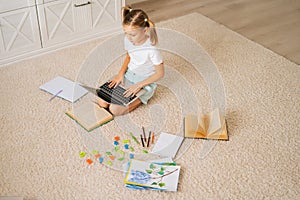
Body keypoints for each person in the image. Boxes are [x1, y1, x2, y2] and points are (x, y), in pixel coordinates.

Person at [98, 6, 164, 116]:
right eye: (126, 33)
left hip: (143, 83)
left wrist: (138, 86)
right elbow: (128, 57)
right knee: (102, 102)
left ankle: (141, 99)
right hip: (128, 77)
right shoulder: (128, 40)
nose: (128, 38)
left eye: (132, 34)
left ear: (145, 30)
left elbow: (160, 73)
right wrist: (120, 75)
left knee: (114, 111)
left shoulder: (152, 50)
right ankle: (124, 96)